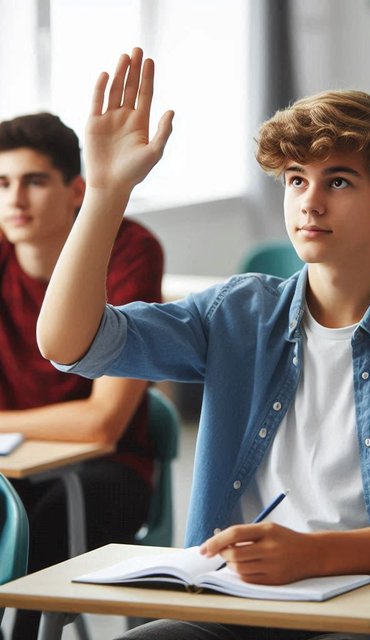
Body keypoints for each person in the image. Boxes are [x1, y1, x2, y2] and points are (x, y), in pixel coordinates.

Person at [36, 49, 370, 640]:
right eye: (297, 180)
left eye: (339, 181)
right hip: (235, 605)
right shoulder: (240, 312)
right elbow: (72, 344)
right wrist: (104, 191)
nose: (310, 201)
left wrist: (310, 553)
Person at [0, 112, 164, 639]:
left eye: (34, 181)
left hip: (112, 470)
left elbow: (102, 424)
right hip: (16, 466)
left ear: (76, 189)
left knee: (43, 523)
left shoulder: (127, 250)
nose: (15, 200)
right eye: (2, 183)